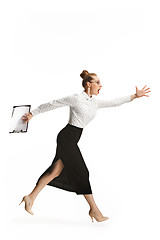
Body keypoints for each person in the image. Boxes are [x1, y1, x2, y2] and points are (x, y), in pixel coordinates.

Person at [19, 70, 151, 222]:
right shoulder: (76, 98)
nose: (101, 85)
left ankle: (30, 197)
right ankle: (94, 210)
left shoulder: (94, 101)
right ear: (88, 84)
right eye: (98, 82)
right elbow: (52, 104)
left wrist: (135, 96)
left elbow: (114, 102)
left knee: (55, 172)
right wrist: (32, 114)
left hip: (73, 139)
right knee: (82, 172)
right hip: (66, 138)